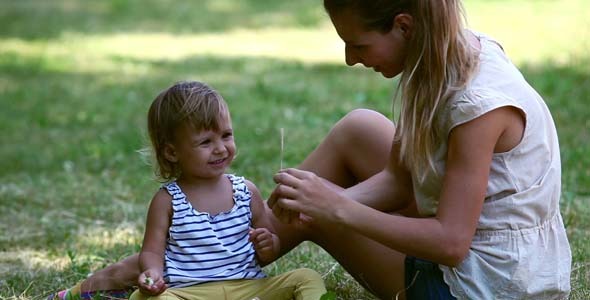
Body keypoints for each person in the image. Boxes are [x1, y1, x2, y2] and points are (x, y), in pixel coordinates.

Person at [49, 0, 572, 299]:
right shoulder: (435, 54)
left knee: (316, 212)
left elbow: (453, 242)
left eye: (358, 45)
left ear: (404, 26)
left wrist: (336, 208)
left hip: (485, 286)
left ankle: (179, 268)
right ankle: (194, 255)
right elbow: (398, 177)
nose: (348, 59)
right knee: (357, 128)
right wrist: (319, 196)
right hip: (468, 240)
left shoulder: (479, 103)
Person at [48, 81, 326, 300]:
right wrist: (152, 274)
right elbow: (152, 252)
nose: (220, 147)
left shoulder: (245, 191)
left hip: (248, 289)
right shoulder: (168, 200)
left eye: (226, 135)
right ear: (172, 152)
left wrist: (268, 244)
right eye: (205, 141)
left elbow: (268, 251)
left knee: (306, 277)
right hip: (189, 293)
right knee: (142, 297)